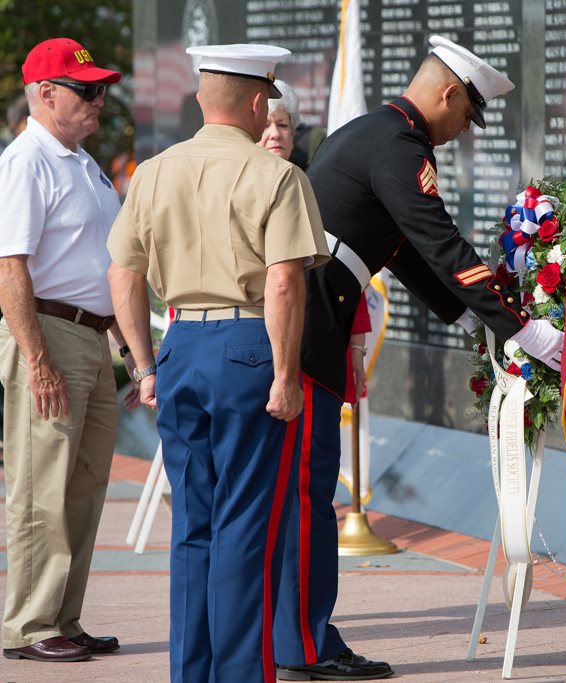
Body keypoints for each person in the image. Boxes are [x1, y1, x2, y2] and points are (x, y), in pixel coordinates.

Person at [276, 35, 563, 680]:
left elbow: (402, 250)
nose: (464, 131)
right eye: (467, 115)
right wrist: (529, 333)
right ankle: (303, 642)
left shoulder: (377, 134)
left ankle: (302, 634)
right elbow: (438, 244)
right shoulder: (399, 144)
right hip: (315, 319)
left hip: (320, 312)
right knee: (307, 491)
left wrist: (471, 319)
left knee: (304, 489)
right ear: (447, 94)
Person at [106, 44, 334, 683]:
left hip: (180, 349)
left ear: (204, 98)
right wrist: (287, 377)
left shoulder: (151, 172)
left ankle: (193, 672)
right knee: (248, 525)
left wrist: (144, 367)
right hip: (249, 349)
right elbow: (285, 283)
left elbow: (121, 275)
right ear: (260, 102)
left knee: (194, 525)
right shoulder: (278, 177)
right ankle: (239, 674)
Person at [0, 37, 136, 663]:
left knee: (82, 488)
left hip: (89, 335)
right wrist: (37, 357)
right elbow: (10, 268)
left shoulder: (80, 161)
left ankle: (64, 616)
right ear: (46, 93)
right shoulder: (27, 159)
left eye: (101, 89)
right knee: (40, 488)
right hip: (48, 334)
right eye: (86, 90)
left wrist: (124, 344)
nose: (98, 101)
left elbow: (96, 265)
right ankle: (30, 626)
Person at [256, 81, 389, 681]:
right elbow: (298, 282)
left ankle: (274, 636)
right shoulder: (277, 189)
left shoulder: (305, 185)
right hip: (294, 362)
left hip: (285, 355)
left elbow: (340, 272)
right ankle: (305, 645)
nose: (276, 136)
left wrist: (356, 340)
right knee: (304, 503)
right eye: (266, 125)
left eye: (285, 126)